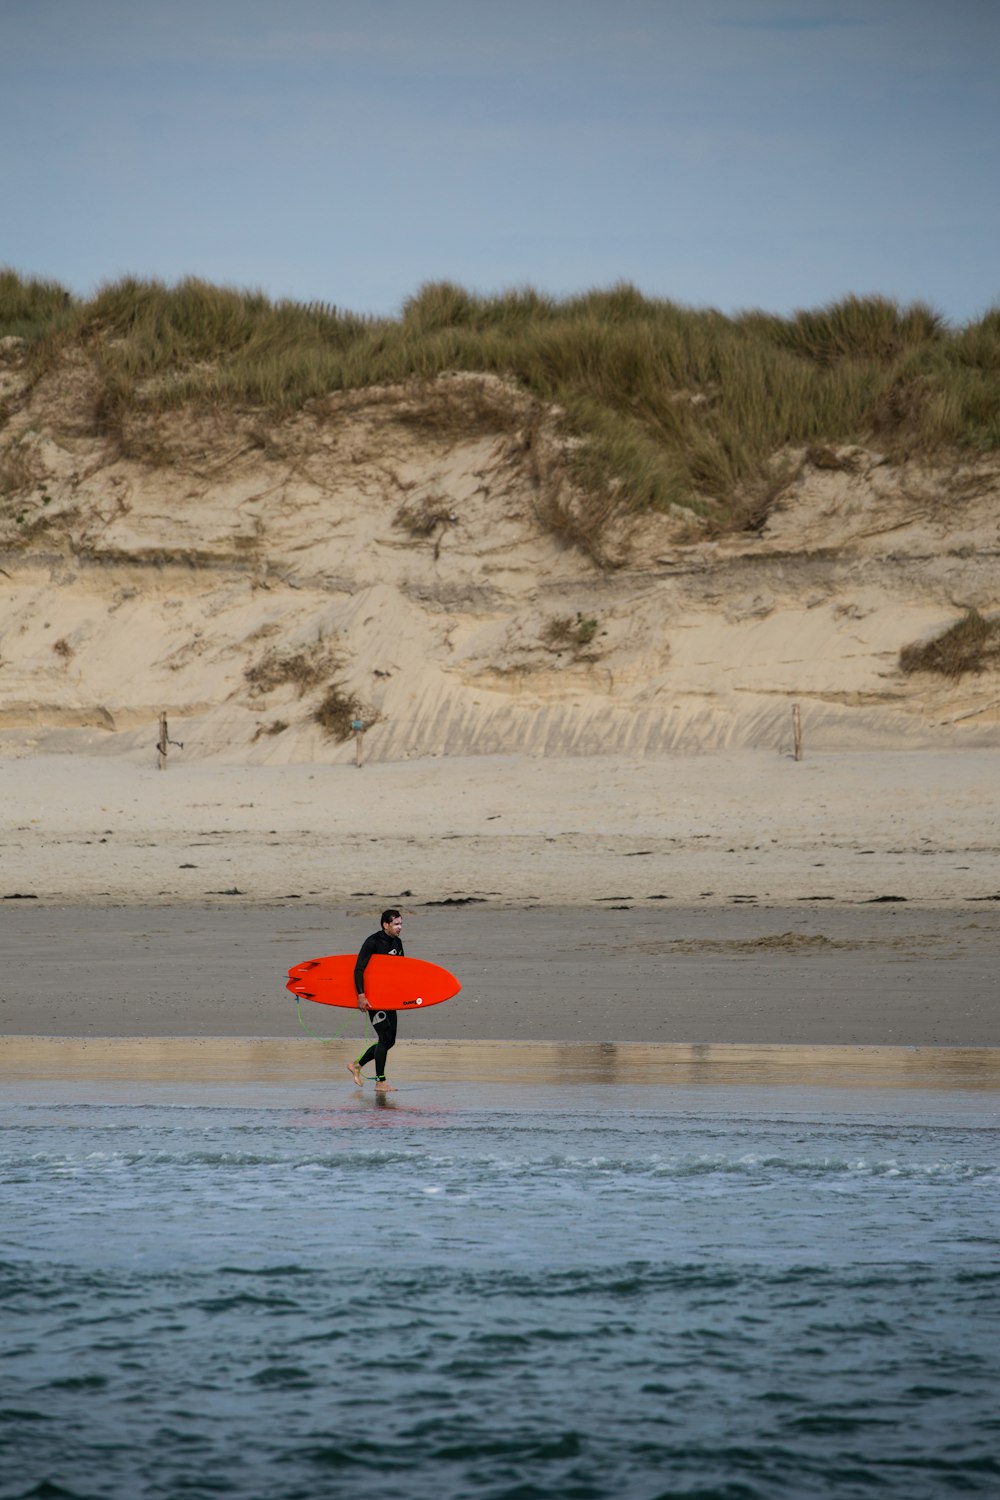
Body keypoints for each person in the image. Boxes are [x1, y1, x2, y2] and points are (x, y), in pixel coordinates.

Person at [347, 909, 403, 1091]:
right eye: (396, 924)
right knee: (384, 1037)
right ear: (385, 924)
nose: (399, 927)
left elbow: (400, 971)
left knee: (390, 1040)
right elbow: (358, 970)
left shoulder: (398, 942)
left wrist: (402, 997)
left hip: (389, 998)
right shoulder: (372, 942)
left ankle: (356, 1065)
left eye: (401, 924)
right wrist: (361, 995)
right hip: (373, 999)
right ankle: (380, 1082)